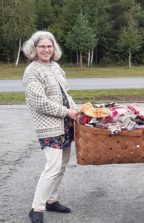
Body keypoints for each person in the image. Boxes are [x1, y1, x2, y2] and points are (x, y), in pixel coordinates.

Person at [22, 31, 78, 223]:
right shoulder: (32, 71)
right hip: (49, 127)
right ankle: (36, 209)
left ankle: (52, 200)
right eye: (42, 47)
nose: (46, 50)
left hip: (66, 125)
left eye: (49, 46)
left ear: (54, 49)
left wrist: (77, 110)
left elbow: (66, 95)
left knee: (61, 166)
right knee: (52, 167)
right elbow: (39, 102)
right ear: (34, 49)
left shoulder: (55, 67)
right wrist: (66, 111)